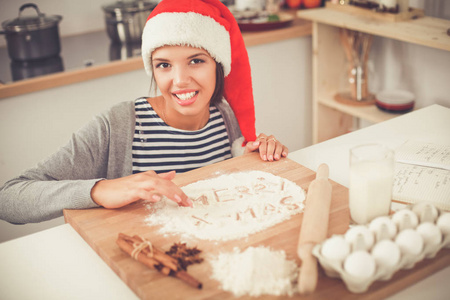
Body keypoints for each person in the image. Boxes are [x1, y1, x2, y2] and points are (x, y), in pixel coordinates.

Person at [0, 0, 289, 224]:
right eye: (164, 65)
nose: (179, 80)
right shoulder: (117, 126)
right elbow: (10, 198)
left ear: (218, 65)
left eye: (196, 61)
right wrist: (99, 190)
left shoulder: (225, 115)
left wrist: (256, 157)